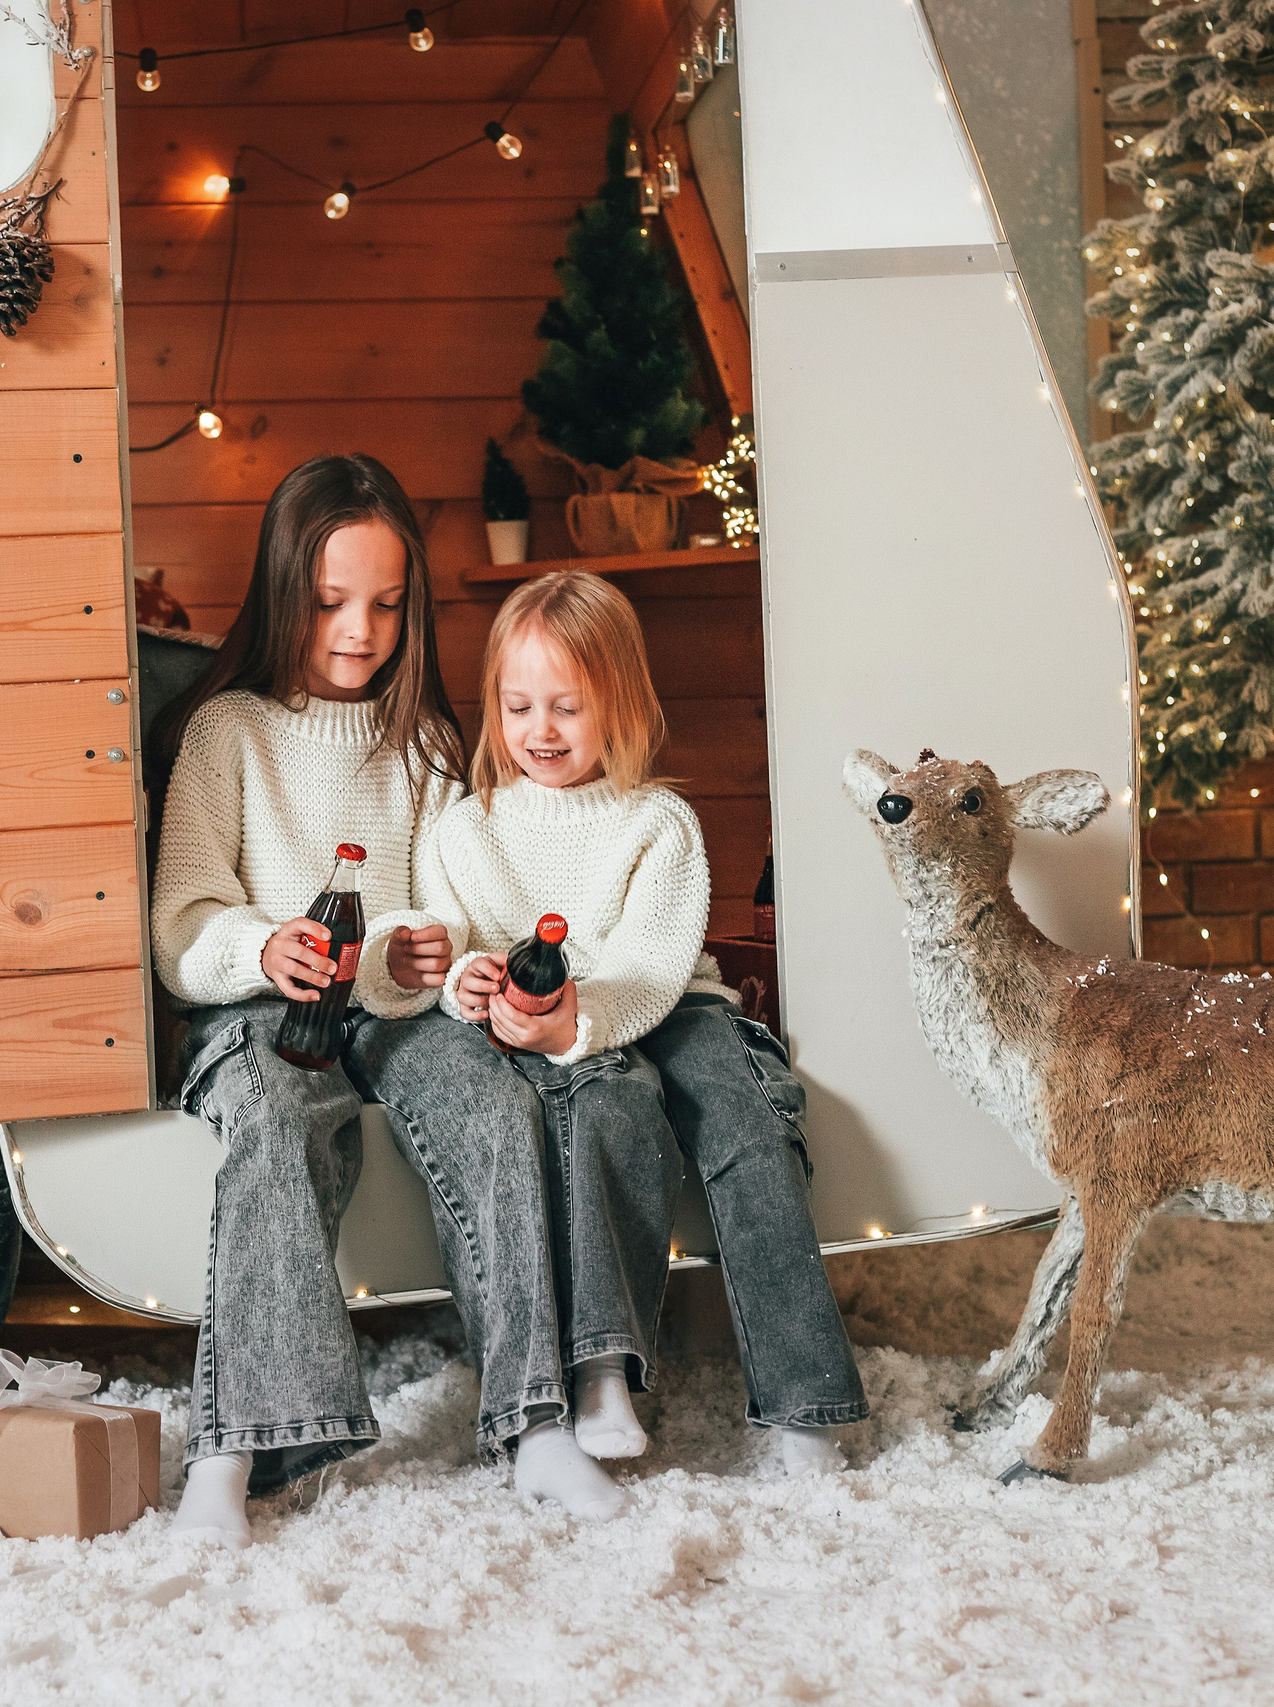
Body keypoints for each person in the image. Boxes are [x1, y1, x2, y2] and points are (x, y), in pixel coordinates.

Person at [148, 456, 631, 1547]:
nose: (358, 631)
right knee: (278, 1115)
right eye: (330, 603)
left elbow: (451, 905)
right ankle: (234, 1449)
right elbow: (180, 926)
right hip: (256, 1010)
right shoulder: (227, 733)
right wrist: (262, 945)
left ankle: (535, 1422)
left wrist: (424, 953)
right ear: (286, 591)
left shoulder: (425, 744)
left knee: (496, 1101)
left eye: (385, 604)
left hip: (397, 1013)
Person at [419, 570, 867, 1473]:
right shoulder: (463, 831)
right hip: (542, 1019)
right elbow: (453, 941)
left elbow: (652, 967)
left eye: (567, 707)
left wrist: (579, 1023)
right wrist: (468, 984)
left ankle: (805, 1404)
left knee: (751, 1124)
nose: (540, 730)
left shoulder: (659, 822)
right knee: (597, 1109)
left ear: (619, 705)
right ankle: (601, 1376)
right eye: (518, 706)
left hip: (668, 1005)